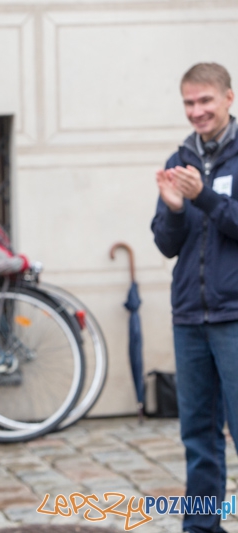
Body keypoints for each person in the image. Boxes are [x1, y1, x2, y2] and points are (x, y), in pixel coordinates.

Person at [152, 62, 238, 533]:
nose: (197, 111)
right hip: (189, 317)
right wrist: (173, 210)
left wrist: (203, 196)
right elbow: (167, 244)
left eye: (205, 100)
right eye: (189, 102)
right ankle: (202, 528)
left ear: (229, 98)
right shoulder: (180, 158)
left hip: (234, 316)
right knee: (198, 437)